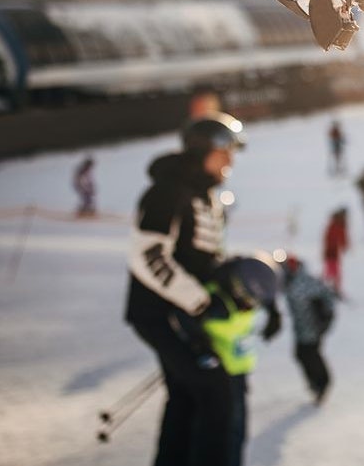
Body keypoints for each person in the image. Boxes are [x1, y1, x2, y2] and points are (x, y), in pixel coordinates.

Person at [124, 112, 248, 466]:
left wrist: (233, 283)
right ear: (202, 150)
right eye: (225, 150)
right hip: (162, 315)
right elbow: (147, 254)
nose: (230, 160)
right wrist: (199, 302)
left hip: (184, 316)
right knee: (213, 392)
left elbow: (202, 257)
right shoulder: (167, 191)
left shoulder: (206, 196)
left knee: (186, 396)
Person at [187, 255, 281, 466]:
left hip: (239, 373)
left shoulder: (249, 284)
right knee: (222, 435)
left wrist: (273, 309)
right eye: (250, 300)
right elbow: (187, 318)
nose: (252, 305)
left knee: (236, 433)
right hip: (218, 376)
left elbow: (265, 285)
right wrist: (201, 346)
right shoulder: (216, 301)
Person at [278, 252, 339, 404]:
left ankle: (322, 383)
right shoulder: (291, 281)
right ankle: (316, 383)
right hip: (301, 327)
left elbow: (327, 294)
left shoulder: (303, 282)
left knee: (309, 354)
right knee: (301, 354)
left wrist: (326, 316)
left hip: (312, 327)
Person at [321, 207, 350, 296]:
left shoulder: (339, 224)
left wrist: (344, 245)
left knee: (333, 272)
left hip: (334, 252)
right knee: (331, 272)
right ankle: (328, 289)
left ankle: (333, 289)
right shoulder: (336, 225)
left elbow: (342, 237)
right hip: (331, 252)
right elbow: (331, 238)